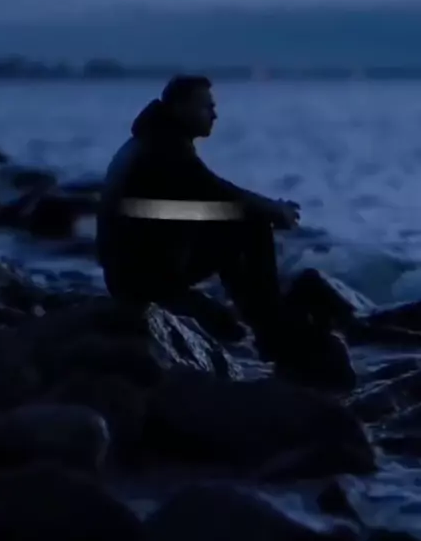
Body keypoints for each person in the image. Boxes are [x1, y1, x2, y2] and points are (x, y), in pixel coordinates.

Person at [97, 75, 300, 359]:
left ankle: (262, 322)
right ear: (180, 108)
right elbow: (213, 190)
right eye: (207, 107)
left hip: (134, 263)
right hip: (138, 276)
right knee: (250, 224)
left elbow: (198, 199)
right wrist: (271, 210)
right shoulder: (163, 146)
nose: (214, 115)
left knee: (240, 219)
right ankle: (271, 331)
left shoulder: (155, 138)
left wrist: (258, 209)